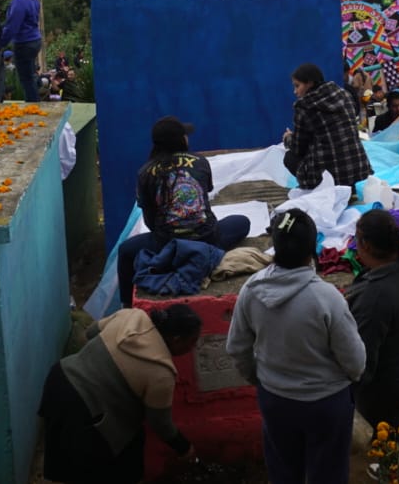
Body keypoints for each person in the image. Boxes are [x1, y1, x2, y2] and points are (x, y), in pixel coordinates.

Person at [227, 208, 366, 484]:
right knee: (327, 473)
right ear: (312, 248)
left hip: (275, 399)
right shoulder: (327, 298)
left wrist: (262, 379)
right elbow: (356, 362)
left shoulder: (251, 290)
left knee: (283, 470)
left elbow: (237, 348)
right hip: (325, 404)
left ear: (274, 247)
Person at [38, 303, 203, 484]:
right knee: (121, 459)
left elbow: (90, 333)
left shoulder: (132, 316)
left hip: (59, 379)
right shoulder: (161, 372)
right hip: (83, 410)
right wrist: (184, 448)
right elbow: (160, 424)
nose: (193, 347)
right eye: (192, 341)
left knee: (57, 459)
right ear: (177, 339)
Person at [116, 117, 252, 309]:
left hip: (167, 245)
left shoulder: (145, 173)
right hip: (208, 239)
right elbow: (204, 198)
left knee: (125, 251)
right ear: (180, 140)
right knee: (242, 222)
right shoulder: (200, 162)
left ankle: (126, 306)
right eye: (185, 135)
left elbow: (150, 222)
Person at [345, 208, 399, 433]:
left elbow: (362, 361)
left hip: (388, 385)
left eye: (356, 239)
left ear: (367, 246)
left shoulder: (375, 296)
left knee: (384, 440)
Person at [284, 63, 374, 190]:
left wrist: (288, 138)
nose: (295, 92)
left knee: (289, 157)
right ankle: (348, 187)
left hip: (330, 178)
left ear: (309, 83)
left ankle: (318, 187)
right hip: (359, 172)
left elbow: (298, 148)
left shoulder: (304, 106)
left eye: (297, 86)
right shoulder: (345, 95)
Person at [0, 0, 42, 102]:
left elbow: (12, 27)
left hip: (24, 43)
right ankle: (36, 101)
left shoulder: (18, 2)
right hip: (35, 41)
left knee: (25, 79)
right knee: (31, 75)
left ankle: (33, 104)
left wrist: (0, 43)